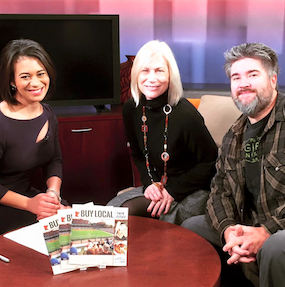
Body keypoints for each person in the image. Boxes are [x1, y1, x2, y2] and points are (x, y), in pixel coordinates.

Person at [181, 42, 285, 287]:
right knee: (191, 228)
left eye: (252, 74)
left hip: (279, 226)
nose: (243, 83)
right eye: (236, 77)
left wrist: (266, 231)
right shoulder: (233, 136)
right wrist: (228, 230)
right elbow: (219, 192)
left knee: (275, 247)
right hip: (249, 221)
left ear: (272, 80)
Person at [107, 40, 217, 225]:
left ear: (170, 75)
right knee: (111, 211)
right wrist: (149, 183)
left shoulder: (186, 114)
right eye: (145, 70)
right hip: (158, 185)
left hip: (194, 189)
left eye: (159, 71)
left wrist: (173, 191)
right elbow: (138, 154)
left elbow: (211, 163)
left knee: (132, 216)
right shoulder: (131, 109)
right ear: (136, 74)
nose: (152, 78)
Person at [0, 39, 66, 234]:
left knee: (67, 223)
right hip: (7, 202)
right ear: (12, 81)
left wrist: (53, 194)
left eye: (40, 74)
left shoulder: (47, 112)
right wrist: (30, 204)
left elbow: (54, 160)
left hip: (29, 197)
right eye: (25, 76)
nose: (35, 83)